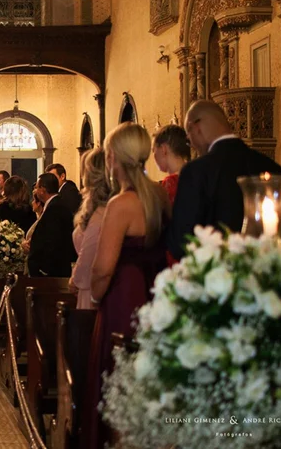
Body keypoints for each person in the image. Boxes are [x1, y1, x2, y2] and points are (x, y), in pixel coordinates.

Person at [82, 122, 170, 449]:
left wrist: (96, 295)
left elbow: (103, 268)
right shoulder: (160, 195)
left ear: (113, 158)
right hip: (154, 292)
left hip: (124, 294)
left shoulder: (121, 204)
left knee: (117, 373)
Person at [167, 100, 281, 260]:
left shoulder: (196, 171)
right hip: (264, 267)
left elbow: (181, 242)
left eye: (189, 137)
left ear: (196, 127)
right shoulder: (272, 167)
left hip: (215, 270)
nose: (192, 144)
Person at [70, 148, 110, 309]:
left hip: (93, 287)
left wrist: (75, 279)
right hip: (88, 284)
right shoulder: (93, 205)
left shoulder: (102, 210)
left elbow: (90, 250)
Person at [25, 173, 76, 277]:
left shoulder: (55, 208)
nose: (35, 191)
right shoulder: (54, 204)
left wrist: (43, 269)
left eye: (37, 187)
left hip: (51, 271)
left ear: (43, 189)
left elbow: (53, 240)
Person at [152, 124, 190, 204]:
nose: (153, 156)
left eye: (153, 150)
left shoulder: (170, 183)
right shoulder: (197, 175)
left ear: (163, 149)